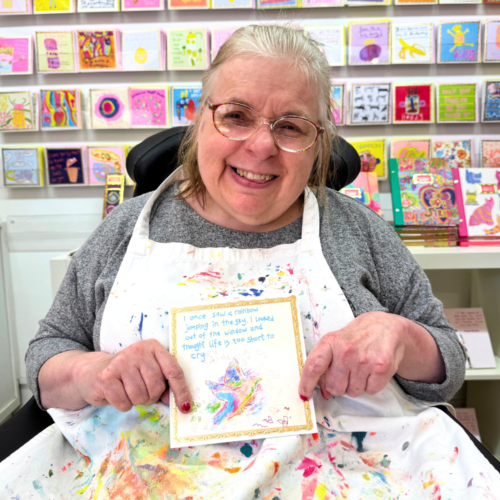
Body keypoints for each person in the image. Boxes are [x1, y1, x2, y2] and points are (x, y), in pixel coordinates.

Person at [2, 24, 499, 499]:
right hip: (143, 475)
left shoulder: (356, 229)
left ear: (319, 142)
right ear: (201, 118)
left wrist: (401, 338)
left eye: (291, 126)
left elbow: (449, 362)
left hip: (353, 474)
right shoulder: (127, 229)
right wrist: (92, 372)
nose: (261, 147)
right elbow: (48, 353)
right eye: (236, 116)